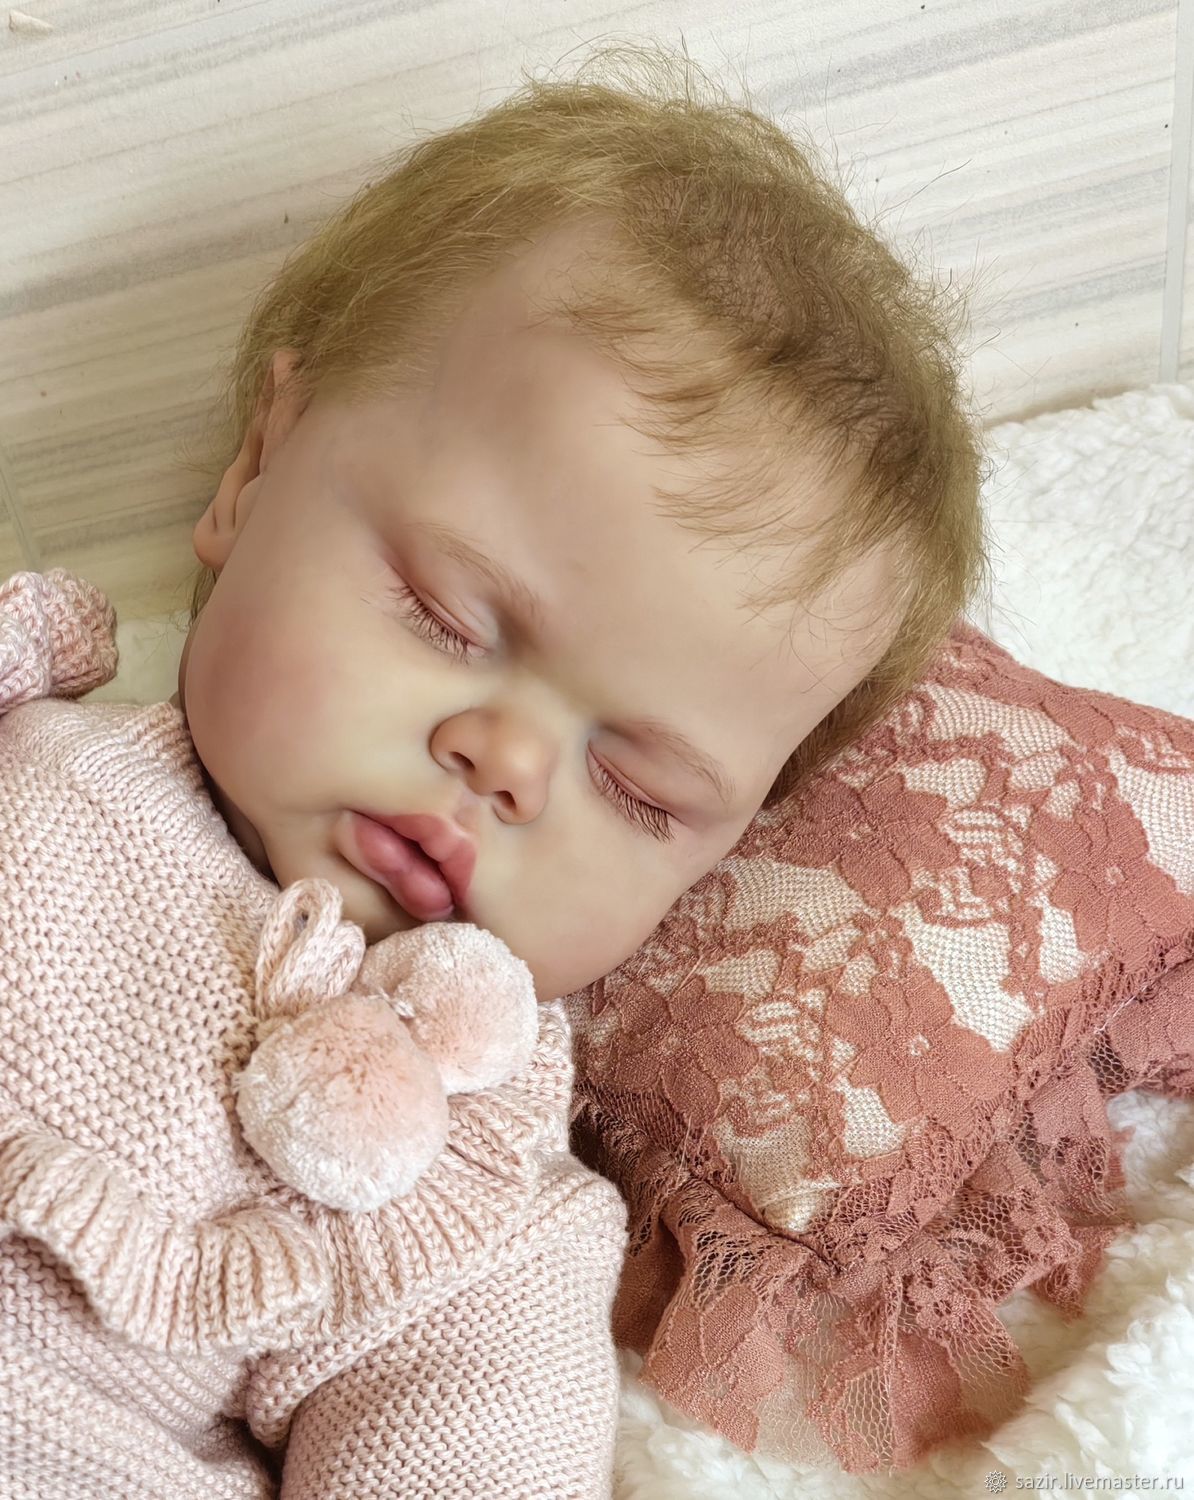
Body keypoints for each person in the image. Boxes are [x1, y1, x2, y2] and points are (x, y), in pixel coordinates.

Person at [0, 40, 989, 1497]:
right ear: (257, 469)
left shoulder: (478, 1223)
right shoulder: (28, 745)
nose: (505, 766)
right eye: (445, 618)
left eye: (640, 790)